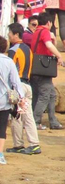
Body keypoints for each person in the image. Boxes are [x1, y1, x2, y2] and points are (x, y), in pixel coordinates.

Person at [7, 24, 40, 155]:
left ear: (16, 35)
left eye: (10, 33)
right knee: (17, 115)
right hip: (27, 84)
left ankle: (34, 144)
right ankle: (18, 144)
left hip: (18, 86)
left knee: (25, 115)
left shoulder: (13, 50)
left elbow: (8, 70)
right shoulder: (28, 49)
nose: (8, 35)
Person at [29, 12, 65, 130]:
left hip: (36, 67)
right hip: (43, 69)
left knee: (49, 94)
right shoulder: (44, 32)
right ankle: (35, 121)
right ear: (49, 23)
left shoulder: (36, 32)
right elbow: (48, 45)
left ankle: (52, 120)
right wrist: (59, 56)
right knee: (45, 95)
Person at [0, 38, 26, 165]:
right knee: (2, 128)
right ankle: (0, 155)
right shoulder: (8, 62)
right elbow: (16, 82)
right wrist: (21, 99)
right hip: (4, 100)